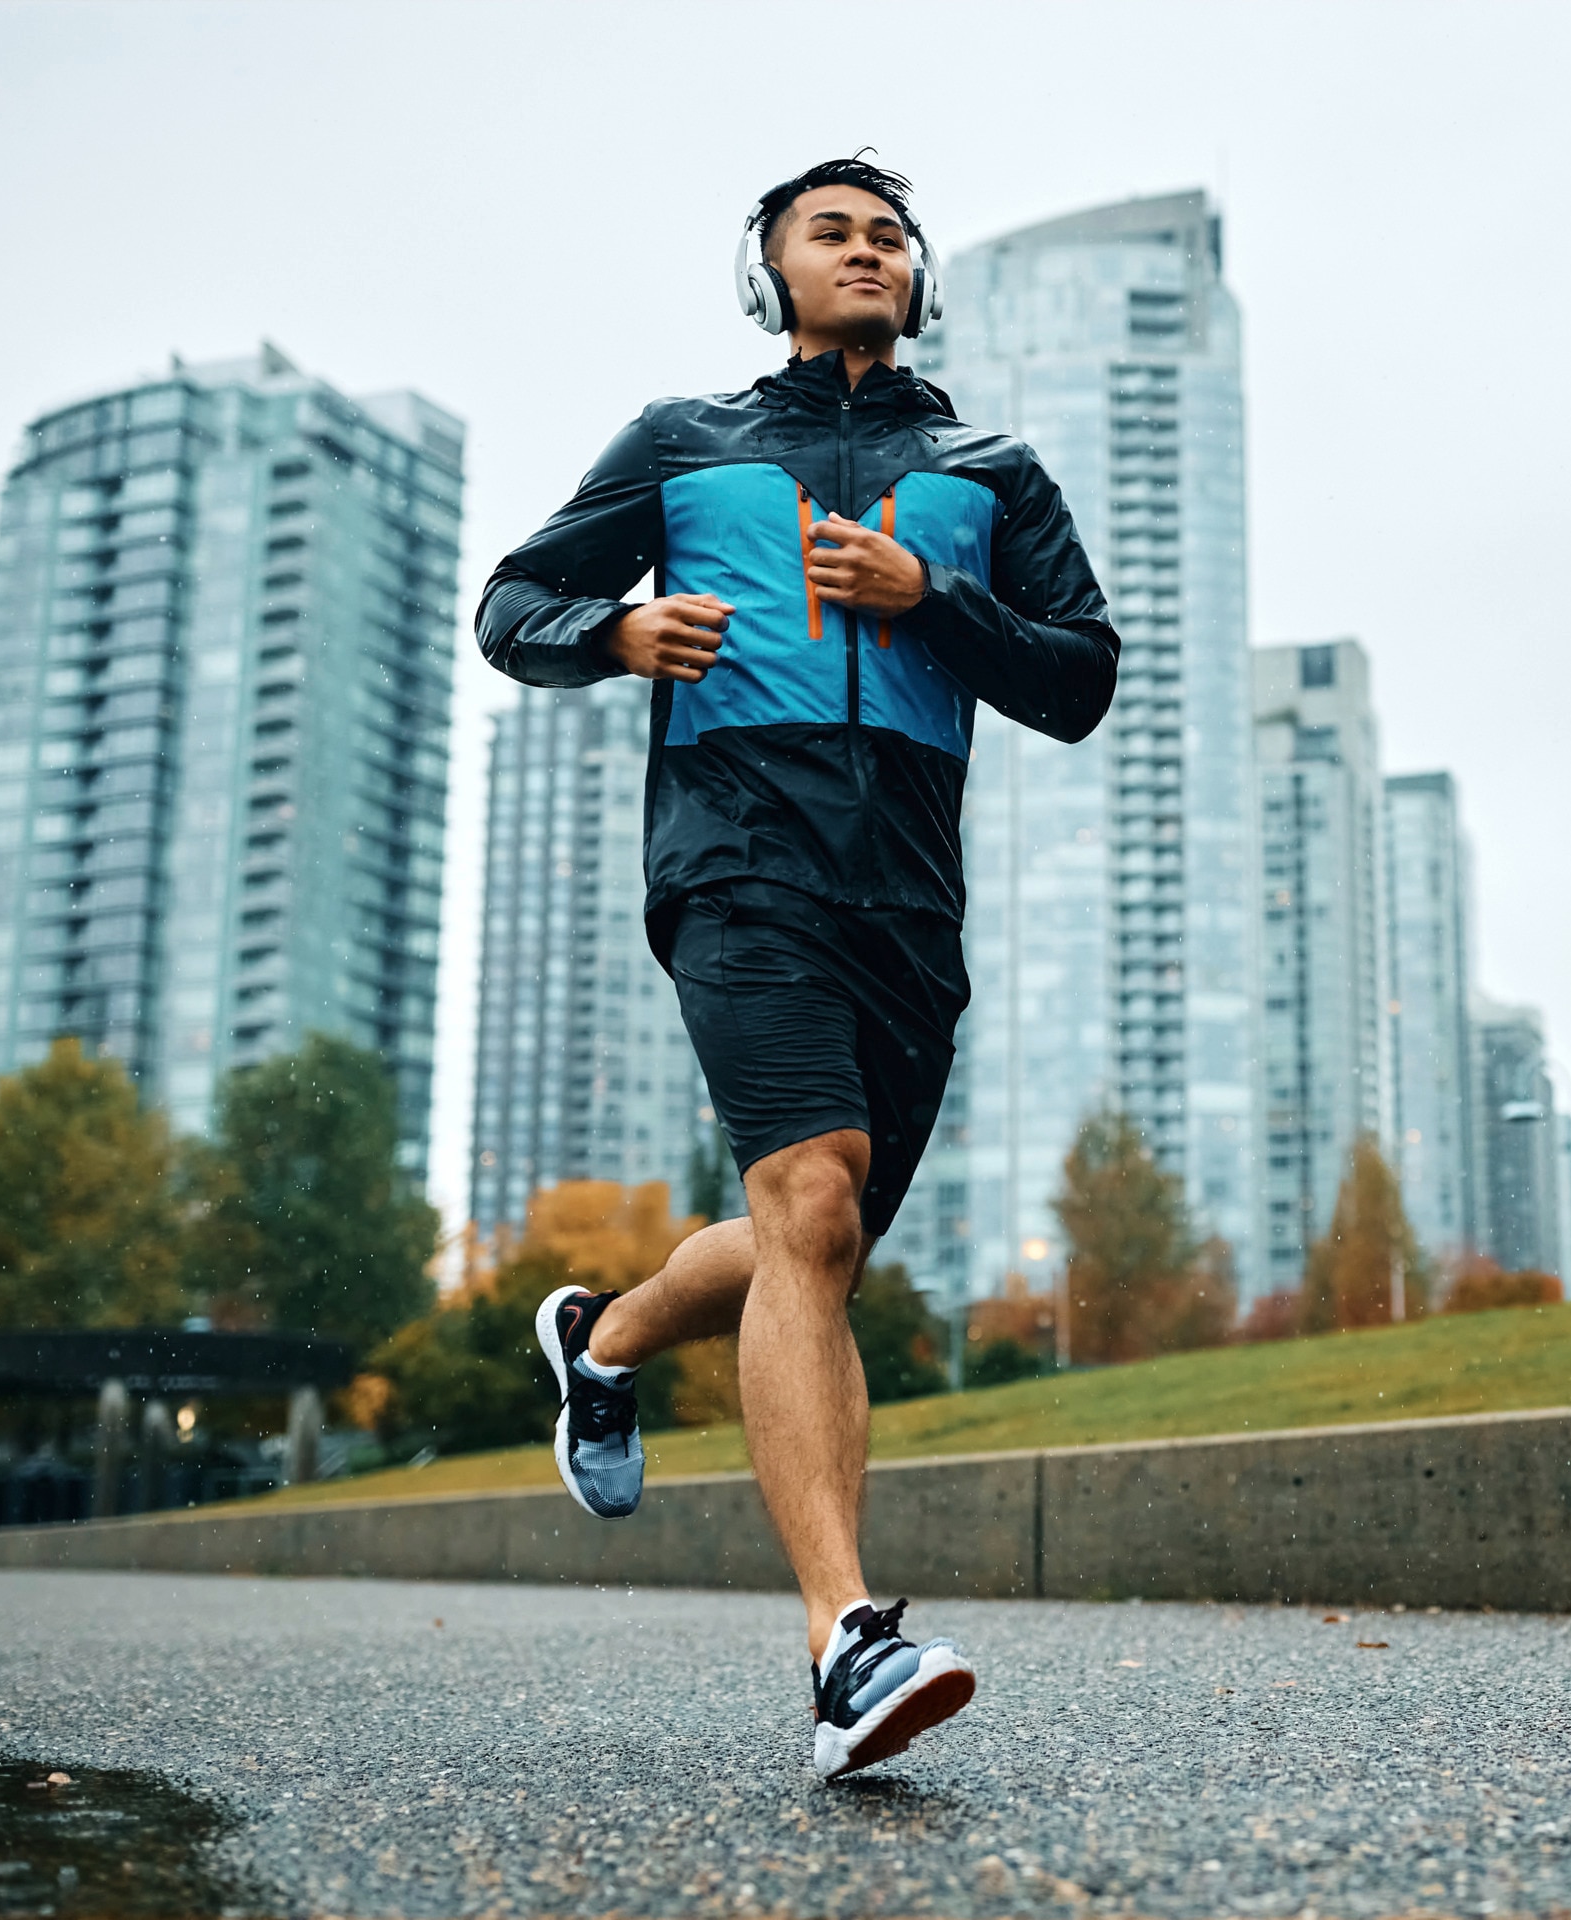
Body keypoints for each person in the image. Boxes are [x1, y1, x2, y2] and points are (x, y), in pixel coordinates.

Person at [474, 156, 1117, 1781]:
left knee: (804, 1246)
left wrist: (934, 597)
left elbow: (1082, 678)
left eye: (889, 234)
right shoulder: (686, 444)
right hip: (736, 862)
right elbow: (513, 601)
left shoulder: (991, 470)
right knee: (810, 1208)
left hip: (905, 899)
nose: (867, 250)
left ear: (918, 281)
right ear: (769, 274)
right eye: (831, 232)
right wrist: (612, 635)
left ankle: (602, 1342)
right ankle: (848, 1644)